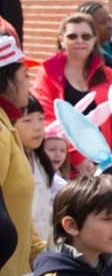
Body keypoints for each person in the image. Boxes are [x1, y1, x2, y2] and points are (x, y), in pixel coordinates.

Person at [33, 12, 112, 175]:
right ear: (62, 39)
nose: (80, 41)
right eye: (73, 36)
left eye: (86, 36)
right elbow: (46, 118)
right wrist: (77, 157)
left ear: (94, 40)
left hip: (106, 164)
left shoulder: (107, 74)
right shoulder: (48, 73)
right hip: (63, 166)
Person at [0, 34, 41, 276]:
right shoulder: (1, 134)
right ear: (7, 81)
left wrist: (38, 251)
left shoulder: (7, 126)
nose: (30, 84)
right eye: (25, 76)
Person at [15, 95, 57, 243]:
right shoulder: (12, 161)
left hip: (44, 242)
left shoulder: (39, 160)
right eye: (27, 120)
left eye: (41, 118)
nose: (38, 127)